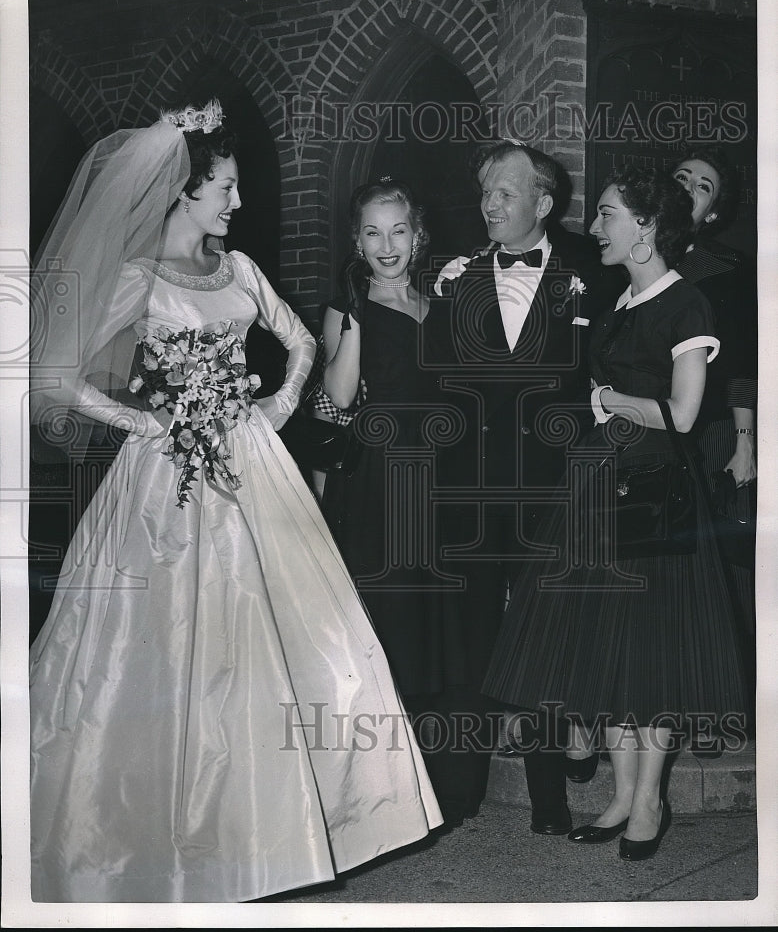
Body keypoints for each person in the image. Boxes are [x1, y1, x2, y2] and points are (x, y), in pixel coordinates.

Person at [28, 100, 442, 904]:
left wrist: (277, 410)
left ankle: (284, 831)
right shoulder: (136, 279)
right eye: (224, 188)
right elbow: (55, 377)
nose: (237, 203)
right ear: (183, 191)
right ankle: (155, 836)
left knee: (308, 642)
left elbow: (303, 342)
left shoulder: (241, 271)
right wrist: (148, 421)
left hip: (253, 466)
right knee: (160, 657)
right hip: (166, 482)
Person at [482, 166, 749, 860]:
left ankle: (651, 800)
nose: (595, 227)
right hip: (602, 481)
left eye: (607, 215)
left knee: (651, 651)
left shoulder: (685, 303)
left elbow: (685, 415)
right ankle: (623, 796)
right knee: (611, 647)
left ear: (646, 227)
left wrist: (610, 405)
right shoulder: (621, 302)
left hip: (656, 492)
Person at [432, 140, 621, 836]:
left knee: (545, 639)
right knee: (473, 634)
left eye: (504, 192)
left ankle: (549, 794)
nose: (488, 204)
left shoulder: (588, 278)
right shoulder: (454, 278)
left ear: (542, 203)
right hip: (473, 491)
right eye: (484, 192)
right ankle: (461, 789)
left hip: (552, 488)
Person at [315, 177, 495, 827]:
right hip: (382, 487)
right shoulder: (344, 307)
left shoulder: (442, 305)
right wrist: (358, 315)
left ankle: (445, 790)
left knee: (442, 638)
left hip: (445, 488)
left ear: (417, 236)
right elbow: (337, 398)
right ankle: (377, 797)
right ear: (356, 241)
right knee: (385, 637)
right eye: (372, 231)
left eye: (398, 230)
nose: (386, 244)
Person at [672, 146, 757, 709]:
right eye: (682, 177)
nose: (689, 188)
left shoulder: (727, 268)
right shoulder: (624, 252)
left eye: (703, 185)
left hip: (711, 435)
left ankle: (719, 707)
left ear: (715, 211)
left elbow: (745, 358)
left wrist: (745, 443)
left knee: (718, 576)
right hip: (646, 431)